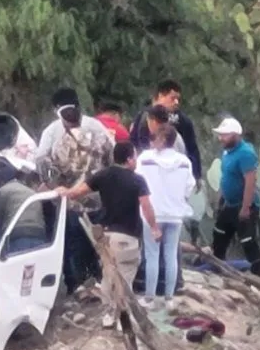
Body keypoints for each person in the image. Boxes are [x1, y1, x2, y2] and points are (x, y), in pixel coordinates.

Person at [57, 141, 160, 329]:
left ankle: (108, 315)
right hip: (128, 236)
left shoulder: (102, 175)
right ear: (129, 159)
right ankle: (123, 318)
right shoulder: (137, 180)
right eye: (135, 156)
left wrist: (64, 191)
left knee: (108, 275)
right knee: (125, 278)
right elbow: (146, 206)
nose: (136, 160)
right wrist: (154, 228)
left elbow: (77, 193)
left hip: (106, 236)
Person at [39, 96, 113, 295]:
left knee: (73, 244)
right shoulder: (98, 132)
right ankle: (100, 280)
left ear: (62, 120)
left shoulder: (59, 141)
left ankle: (77, 286)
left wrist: (53, 186)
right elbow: (110, 157)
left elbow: (43, 162)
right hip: (97, 199)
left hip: (70, 202)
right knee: (98, 243)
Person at [137, 123, 195, 310]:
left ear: (162, 139)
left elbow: (138, 182)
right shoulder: (185, 162)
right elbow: (189, 187)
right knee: (171, 255)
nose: (151, 140)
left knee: (152, 256)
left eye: (154, 137)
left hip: (152, 213)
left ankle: (149, 298)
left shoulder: (146, 159)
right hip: (175, 214)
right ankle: (169, 298)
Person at [212, 116, 260, 277]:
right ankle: (217, 270)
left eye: (224, 135)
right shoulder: (227, 152)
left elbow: (250, 181)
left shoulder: (245, 153)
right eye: (220, 134)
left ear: (235, 135)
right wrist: (221, 198)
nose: (221, 138)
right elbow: (226, 176)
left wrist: (245, 207)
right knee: (219, 235)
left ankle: (259, 276)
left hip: (243, 205)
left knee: (248, 241)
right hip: (228, 204)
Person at [130, 80, 202, 187]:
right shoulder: (143, 117)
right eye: (172, 98)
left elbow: (192, 148)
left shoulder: (182, 120)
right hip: (148, 171)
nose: (176, 102)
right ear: (160, 96)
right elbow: (134, 142)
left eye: (178, 99)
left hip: (175, 172)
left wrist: (196, 174)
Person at [36, 87, 112, 162]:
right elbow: (112, 149)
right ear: (78, 106)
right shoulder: (94, 124)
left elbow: (40, 158)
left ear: (56, 110)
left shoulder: (51, 130)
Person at [0, 164, 46, 253]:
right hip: (40, 234)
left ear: (1, 182)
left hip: (17, 235)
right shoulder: (32, 192)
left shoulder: (1, 192)